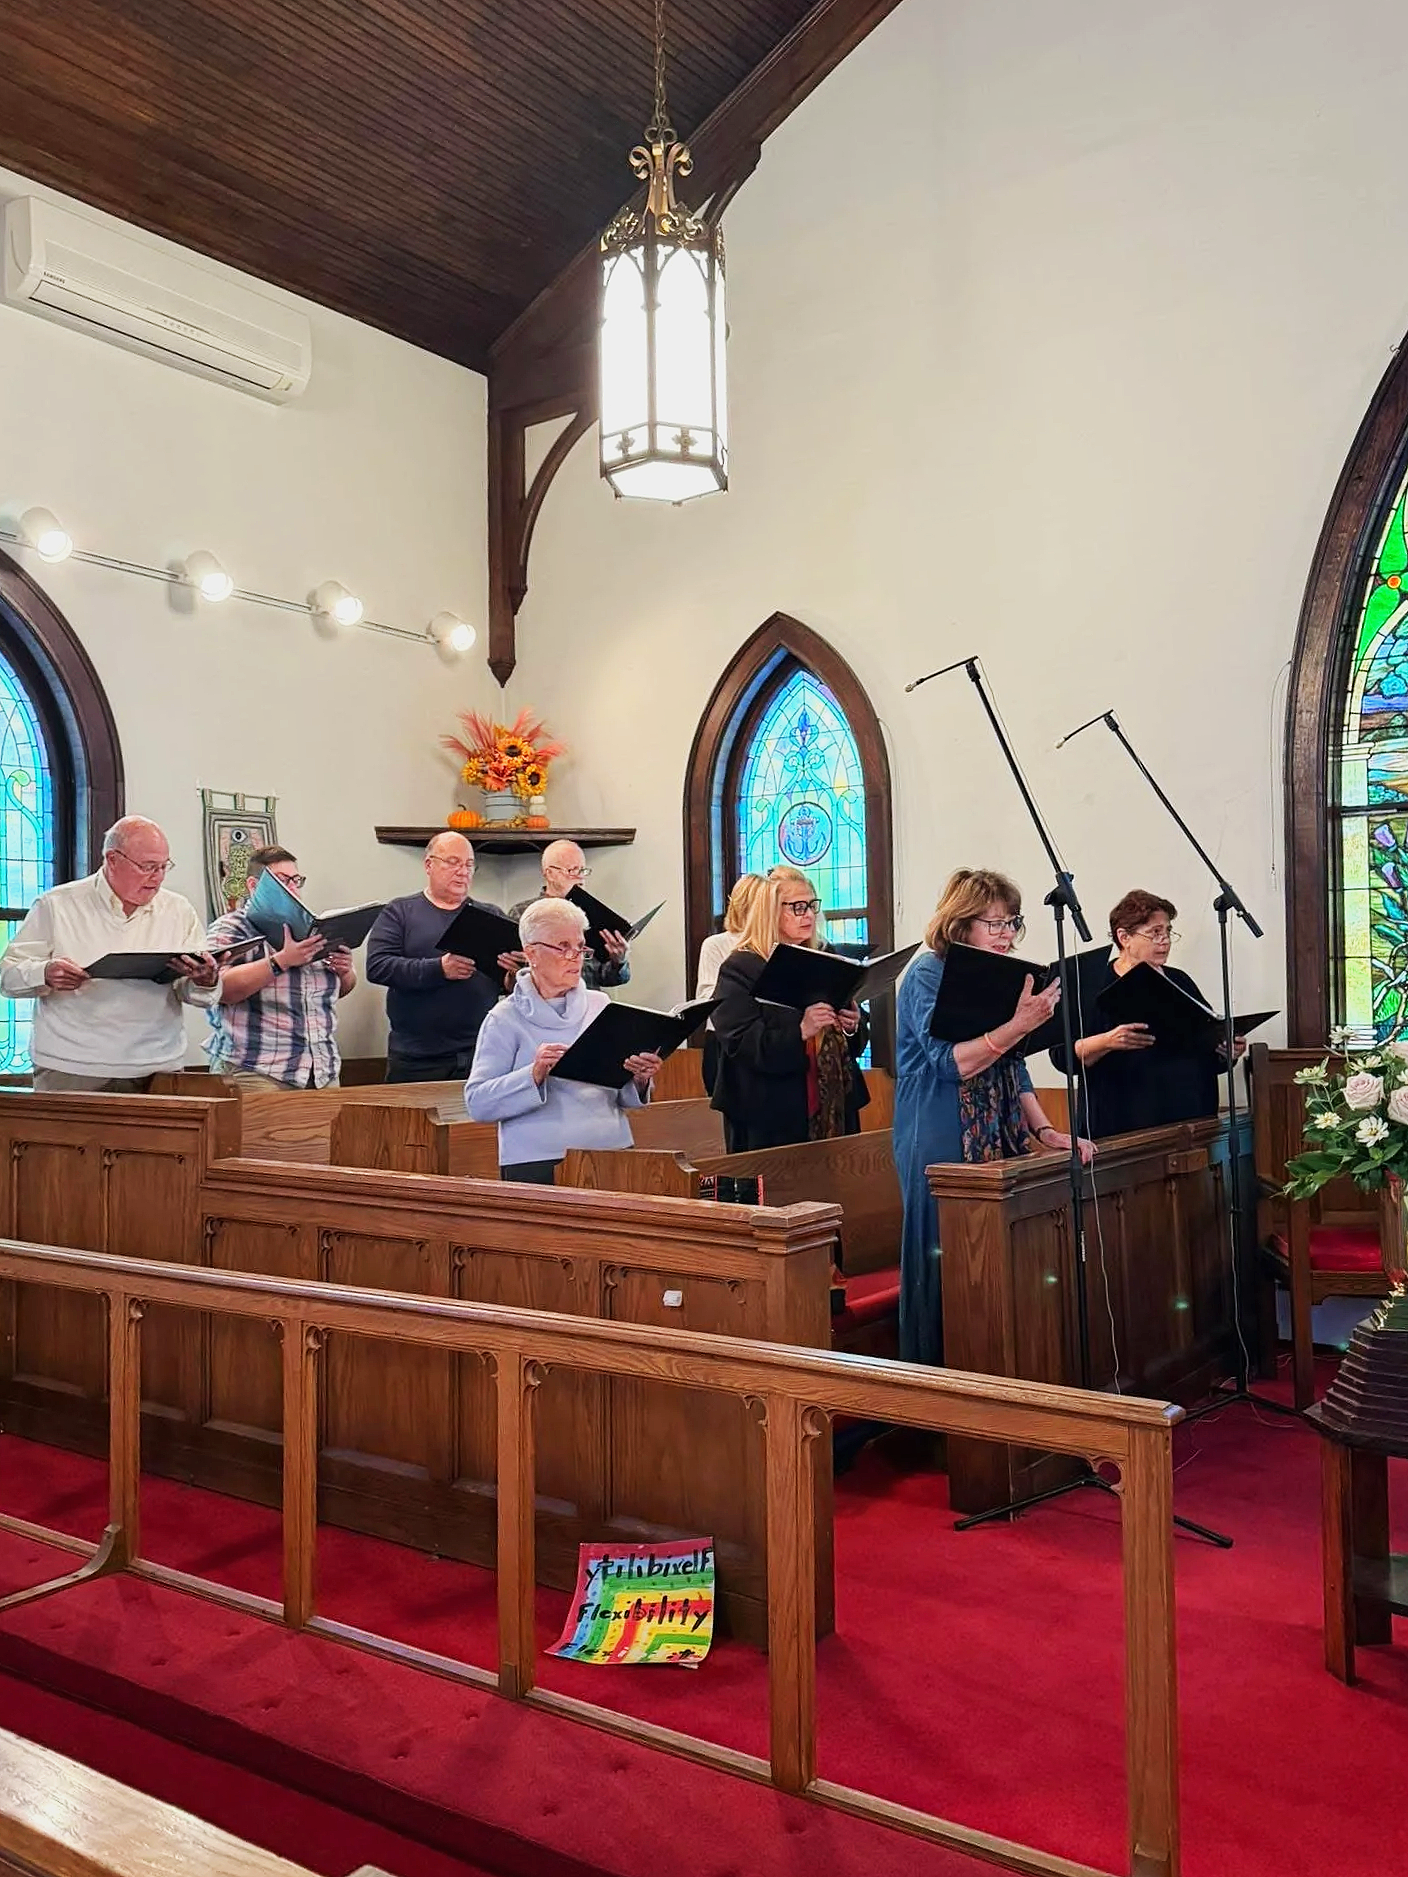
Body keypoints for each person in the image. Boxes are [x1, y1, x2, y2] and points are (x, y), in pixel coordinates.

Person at [893, 868, 1094, 1365]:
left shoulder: (1001, 974)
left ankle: (992, 1369)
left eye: (1012, 923)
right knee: (943, 1259)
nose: (1007, 934)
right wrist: (1019, 1024)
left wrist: (1045, 1129)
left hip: (997, 1126)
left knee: (995, 1258)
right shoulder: (927, 973)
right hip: (938, 1127)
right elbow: (951, 1063)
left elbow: (1013, 1063)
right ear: (961, 923)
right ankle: (934, 1378)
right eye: (995, 923)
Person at [0, 815, 219, 1091]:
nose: (158, 877)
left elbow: (191, 992)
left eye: (164, 866)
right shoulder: (57, 905)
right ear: (112, 859)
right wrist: (45, 973)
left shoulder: (178, 910)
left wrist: (205, 980)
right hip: (72, 1067)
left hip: (159, 1067)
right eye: (148, 867)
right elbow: (7, 977)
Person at [465, 897, 661, 1182]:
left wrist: (639, 1079)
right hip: (537, 1160)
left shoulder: (601, 1006)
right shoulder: (504, 1018)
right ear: (531, 953)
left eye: (580, 947)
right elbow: (478, 1103)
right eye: (563, 947)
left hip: (612, 1150)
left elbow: (622, 1095)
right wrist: (533, 1074)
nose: (575, 957)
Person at [1052, 888, 1244, 1140]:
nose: (1164, 940)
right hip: (1122, 1123)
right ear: (1124, 937)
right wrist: (1107, 1041)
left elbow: (1203, 1043)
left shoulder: (1180, 980)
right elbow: (1061, 1055)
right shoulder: (1091, 985)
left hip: (1189, 1120)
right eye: (1155, 932)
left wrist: (1226, 1051)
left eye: (1168, 931)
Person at [710, 866, 869, 1152]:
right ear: (770, 911)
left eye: (811, 905)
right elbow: (739, 1041)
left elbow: (853, 1040)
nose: (808, 915)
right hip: (767, 1111)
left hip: (834, 1103)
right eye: (797, 907)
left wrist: (852, 1025)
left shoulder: (825, 955)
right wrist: (801, 1031)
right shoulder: (741, 967)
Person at [365, 832, 518, 1083]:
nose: (463, 871)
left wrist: (512, 978)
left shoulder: (491, 915)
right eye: (453, 862)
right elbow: (378, 966)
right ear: (429, 865)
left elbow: (506, 981)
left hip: (482, 1051)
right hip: (418, 1057)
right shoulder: (400, 912)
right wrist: (439, 968)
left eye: (469, 865)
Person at [205, 845, 356, 1090]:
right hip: (258, 1069)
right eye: (283, 881)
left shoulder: (313, 928)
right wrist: (281, 961)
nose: (293, 888)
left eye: (296, 880)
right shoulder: (231, 927)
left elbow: (335, 992)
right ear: (254, 886)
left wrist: (345, 972)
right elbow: (218, 990)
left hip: (321, 1071)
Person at [509, 839, 630, 990]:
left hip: (586, 1000)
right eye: (573, 870)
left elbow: (609, 978)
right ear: (550, 874)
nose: (581, 878)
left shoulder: (592, 913)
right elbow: (510, 978)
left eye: (583, 870)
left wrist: (619, 961)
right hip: (540, 1001)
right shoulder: (522, 913)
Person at [694, 873, 766, 1094]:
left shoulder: (772, 943)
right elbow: (705, 997)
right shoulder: (716, 944)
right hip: (723, 1039)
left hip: (762, 1037)